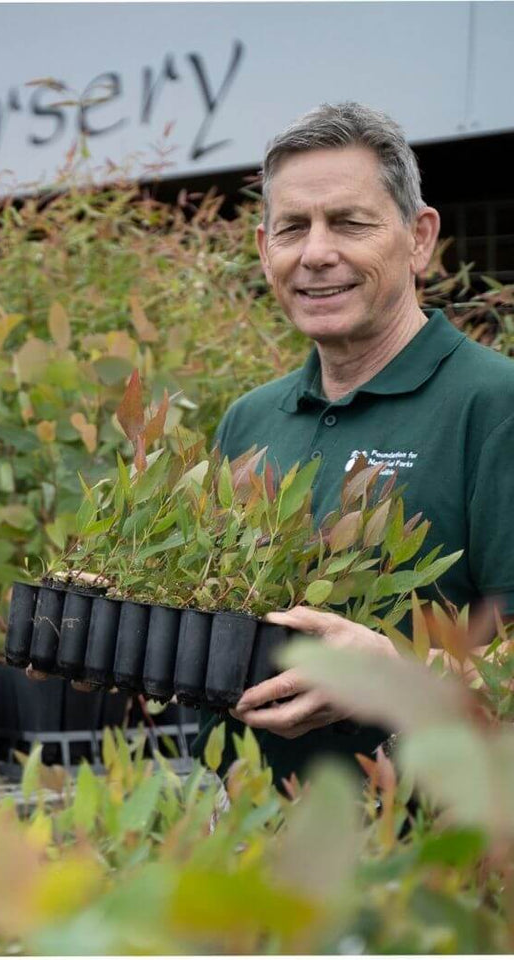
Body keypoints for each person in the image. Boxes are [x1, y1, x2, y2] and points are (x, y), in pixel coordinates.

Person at [209, 102, 514, 782]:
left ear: (419, 238)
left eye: (349, 223)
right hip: (253, 824)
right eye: (293, 228)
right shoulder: (249, 422)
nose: (317, 253)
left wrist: (392, 672)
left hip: (437, 837)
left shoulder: (494, 406)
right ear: (264, 249)